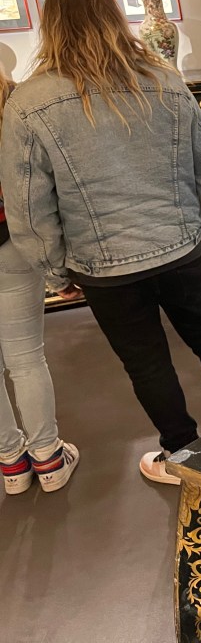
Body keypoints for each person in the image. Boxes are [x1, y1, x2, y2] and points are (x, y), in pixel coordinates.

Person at [0, 0, 201, 487]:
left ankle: (182, 456)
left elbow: (29, 207)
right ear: (115, 15)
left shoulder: (29, 103)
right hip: (181, 244)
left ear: (51, 27)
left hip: (102, 265)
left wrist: (56, 271)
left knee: (146, 362)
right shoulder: (164, 80)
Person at [0, 71, 80, 495]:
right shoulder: (14, 101)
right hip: (9, 244)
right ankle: (48, 459)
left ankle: (11, 465)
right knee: (26, 359)